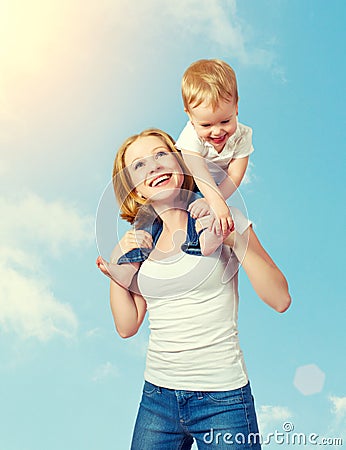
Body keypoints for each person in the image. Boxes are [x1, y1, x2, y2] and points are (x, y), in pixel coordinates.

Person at [96, 128, 291, 449]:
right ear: (133, 188)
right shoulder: (141, 241)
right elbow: (127, 325)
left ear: (181, 162)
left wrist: (233, 238)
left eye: (160, 155)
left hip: (223, 399)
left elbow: (281, 299)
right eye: (139, 165)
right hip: (157, 398)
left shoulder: (225, 217)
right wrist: (114, 266)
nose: (154, 166)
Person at [176, 58, 254, 235]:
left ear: (236, 107)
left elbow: (235, 175)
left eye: (225, 121)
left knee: (207, 216)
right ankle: (131, 258)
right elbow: (199, 171)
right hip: (188, 180)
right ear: (190, 116)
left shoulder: (243, 136)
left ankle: (204, 238)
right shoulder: (191, 136)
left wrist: (213, 200)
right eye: (206, 125)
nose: (217, 132)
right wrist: (215, 202)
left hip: (216, 187)